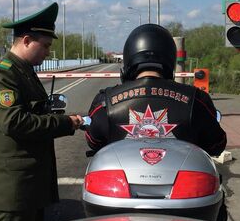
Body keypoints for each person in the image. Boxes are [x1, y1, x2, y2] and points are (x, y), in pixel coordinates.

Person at [0, 2, 83, 221]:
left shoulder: (23, 72)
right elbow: (14, 122)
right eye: (45, 45)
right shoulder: (1, 76)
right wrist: (65, 123)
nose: (48, 52)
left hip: (30, 188)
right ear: (27, 40)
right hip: (13, 191)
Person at [85, 24, 226, 156]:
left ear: (128, 57)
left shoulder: (105, 101)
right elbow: (217, 144)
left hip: (121, 180)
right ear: (171, 58)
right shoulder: (196, 99)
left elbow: (93, 141)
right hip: (184, 179)